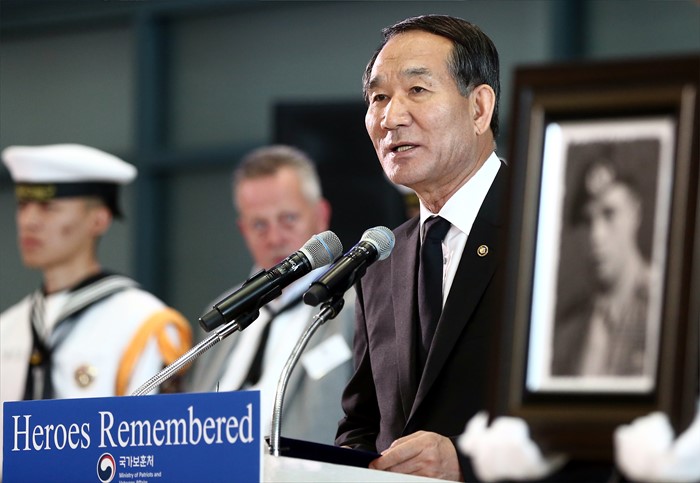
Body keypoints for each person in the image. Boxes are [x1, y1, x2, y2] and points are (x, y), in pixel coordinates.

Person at [334, 14, 508, 481]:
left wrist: (468, 465)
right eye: (379, 97)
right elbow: (362, 425)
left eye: (417, 90)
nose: (391, 117)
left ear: (479, 108)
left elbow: (602, 412)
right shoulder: (380, 261)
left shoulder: (548, 227)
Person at [0, 143, 192, 473]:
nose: (28, 221)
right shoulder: (8, 326)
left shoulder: (143, 323)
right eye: (23, 205)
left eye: (48, 207)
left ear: (99, 220)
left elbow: (153, 459)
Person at [187, 145, 355, 445]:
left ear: (321, 216)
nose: (275, 238)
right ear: (243, 230)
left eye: (288, 219)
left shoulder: (360, 304)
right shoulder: (221, 311)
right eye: (259, 225)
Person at [552, 155, 653, 377]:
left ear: (635, 213)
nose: (596, 236)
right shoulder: (568, 330)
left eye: (609, 214)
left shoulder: (666, 307)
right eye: (587, 221)